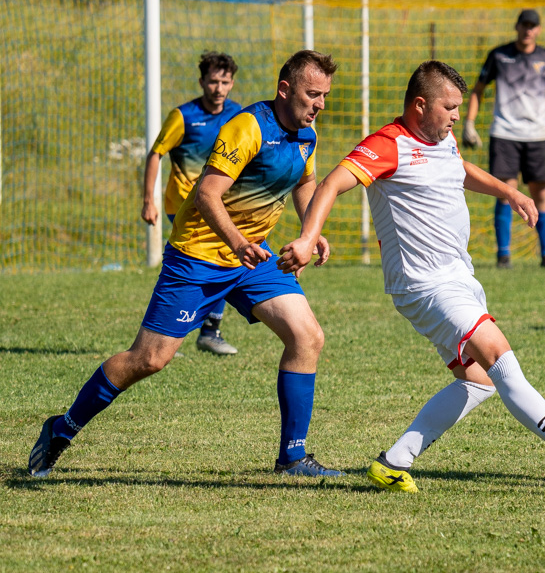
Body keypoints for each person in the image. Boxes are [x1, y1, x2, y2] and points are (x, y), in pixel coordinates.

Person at [279, 60, 545, 493]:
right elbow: (332, 183)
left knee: (480, 380)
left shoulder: (443, 139)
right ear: (420, 105)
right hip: (424, 284)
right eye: (449, 106)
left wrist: (508, 191)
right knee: (497, 351)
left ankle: (394, 462)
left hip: (458, 278)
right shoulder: (387, 144)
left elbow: (458, 167)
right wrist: (307, 237)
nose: (456, 115)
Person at [29, 50, 343, 479]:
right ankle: (61, 428)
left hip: (253, 257)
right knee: (149, 359)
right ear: (285, 90)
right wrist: (234, 242)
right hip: (198, 256)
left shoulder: (307, 133)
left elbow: (305, 181)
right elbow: (207, 194)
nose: (320, 104)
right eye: (313, 94)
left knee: (307, 336)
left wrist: (311, 231)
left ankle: (293, 457)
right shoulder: (248, 127)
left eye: (324, 95)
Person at [142, 51, 243, 355]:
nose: (218, 88)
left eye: (224, 82)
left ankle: (196, 329)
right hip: (183, 205)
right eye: (212, 81)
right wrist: (149, 200)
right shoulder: (183, 116)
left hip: (217, 205)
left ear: (232, 84)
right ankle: (199, 330)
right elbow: (155, 154)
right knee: (214, 257)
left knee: (220, 257)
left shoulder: (240, 116)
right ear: (201, 82)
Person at [462, 9, 545, 270]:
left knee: (540, 193)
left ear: (539, 30)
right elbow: (477, 91)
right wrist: (469, 122)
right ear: (517, 26)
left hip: (538, 135)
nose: (528, 30)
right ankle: (503, 256)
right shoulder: (499, 55)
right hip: (504, 133)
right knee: (505, 191)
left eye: (533, 26)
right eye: (524, 25)